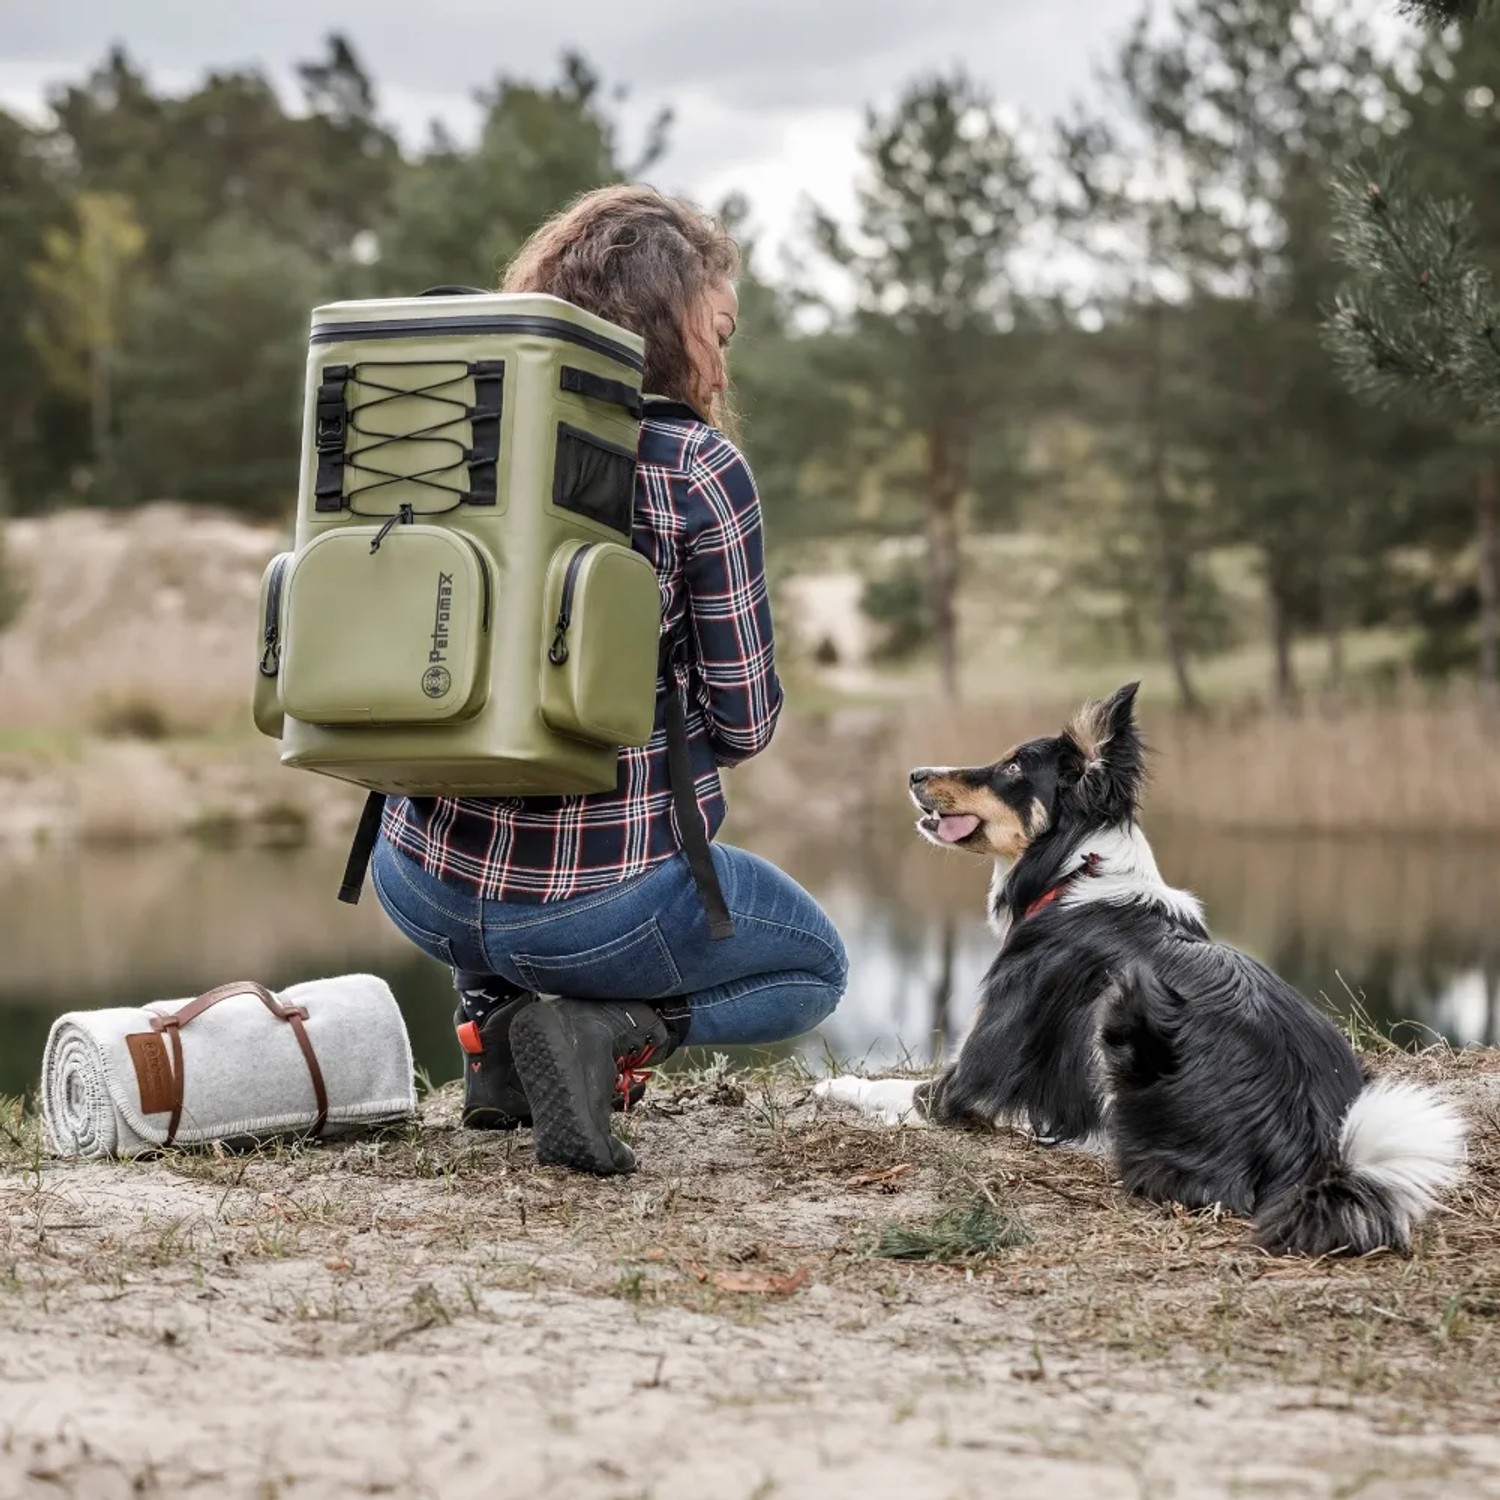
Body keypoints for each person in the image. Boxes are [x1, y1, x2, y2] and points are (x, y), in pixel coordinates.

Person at [370, 185, 849, 1177]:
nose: (726, 353)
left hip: (415, 880)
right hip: (594, 911)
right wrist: (627, 728)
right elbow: (746, 717)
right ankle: (606, 1032)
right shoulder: (696, 466)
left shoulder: (456, 425)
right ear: (677, 330)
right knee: (816, 966)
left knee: (492, 837)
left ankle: (494, 1036)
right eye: (720, 327)